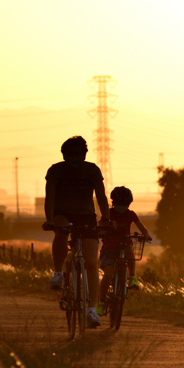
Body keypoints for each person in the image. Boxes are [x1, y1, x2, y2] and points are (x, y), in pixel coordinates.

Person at [44, 136, 109, 327]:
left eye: (77, 155)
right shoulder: (55, 170)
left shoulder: (92, 170)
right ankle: (57, 273)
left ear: (84, 155)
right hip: (62, 213)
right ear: (63, 155)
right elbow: (50, 198)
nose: (74, 158)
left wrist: (106, 219)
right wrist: (49, 220)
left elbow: (101, 196)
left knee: (90, 262)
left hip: (86, 216)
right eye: (69, 155)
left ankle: (91, 310)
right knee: (61, 232)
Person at [95, 186, 151, 315]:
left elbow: (141, 226)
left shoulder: (131, 214)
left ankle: (132, 277)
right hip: (109, 249)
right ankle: (102, 302)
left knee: (130, 252)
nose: (122, 207)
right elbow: (101, 225)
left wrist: (146, 234)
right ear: (113, 203)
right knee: (108, 274)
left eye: (124, 204)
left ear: (129, 204)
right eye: (119, 204)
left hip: (124, 245)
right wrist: (102, 231)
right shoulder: (108, 214)